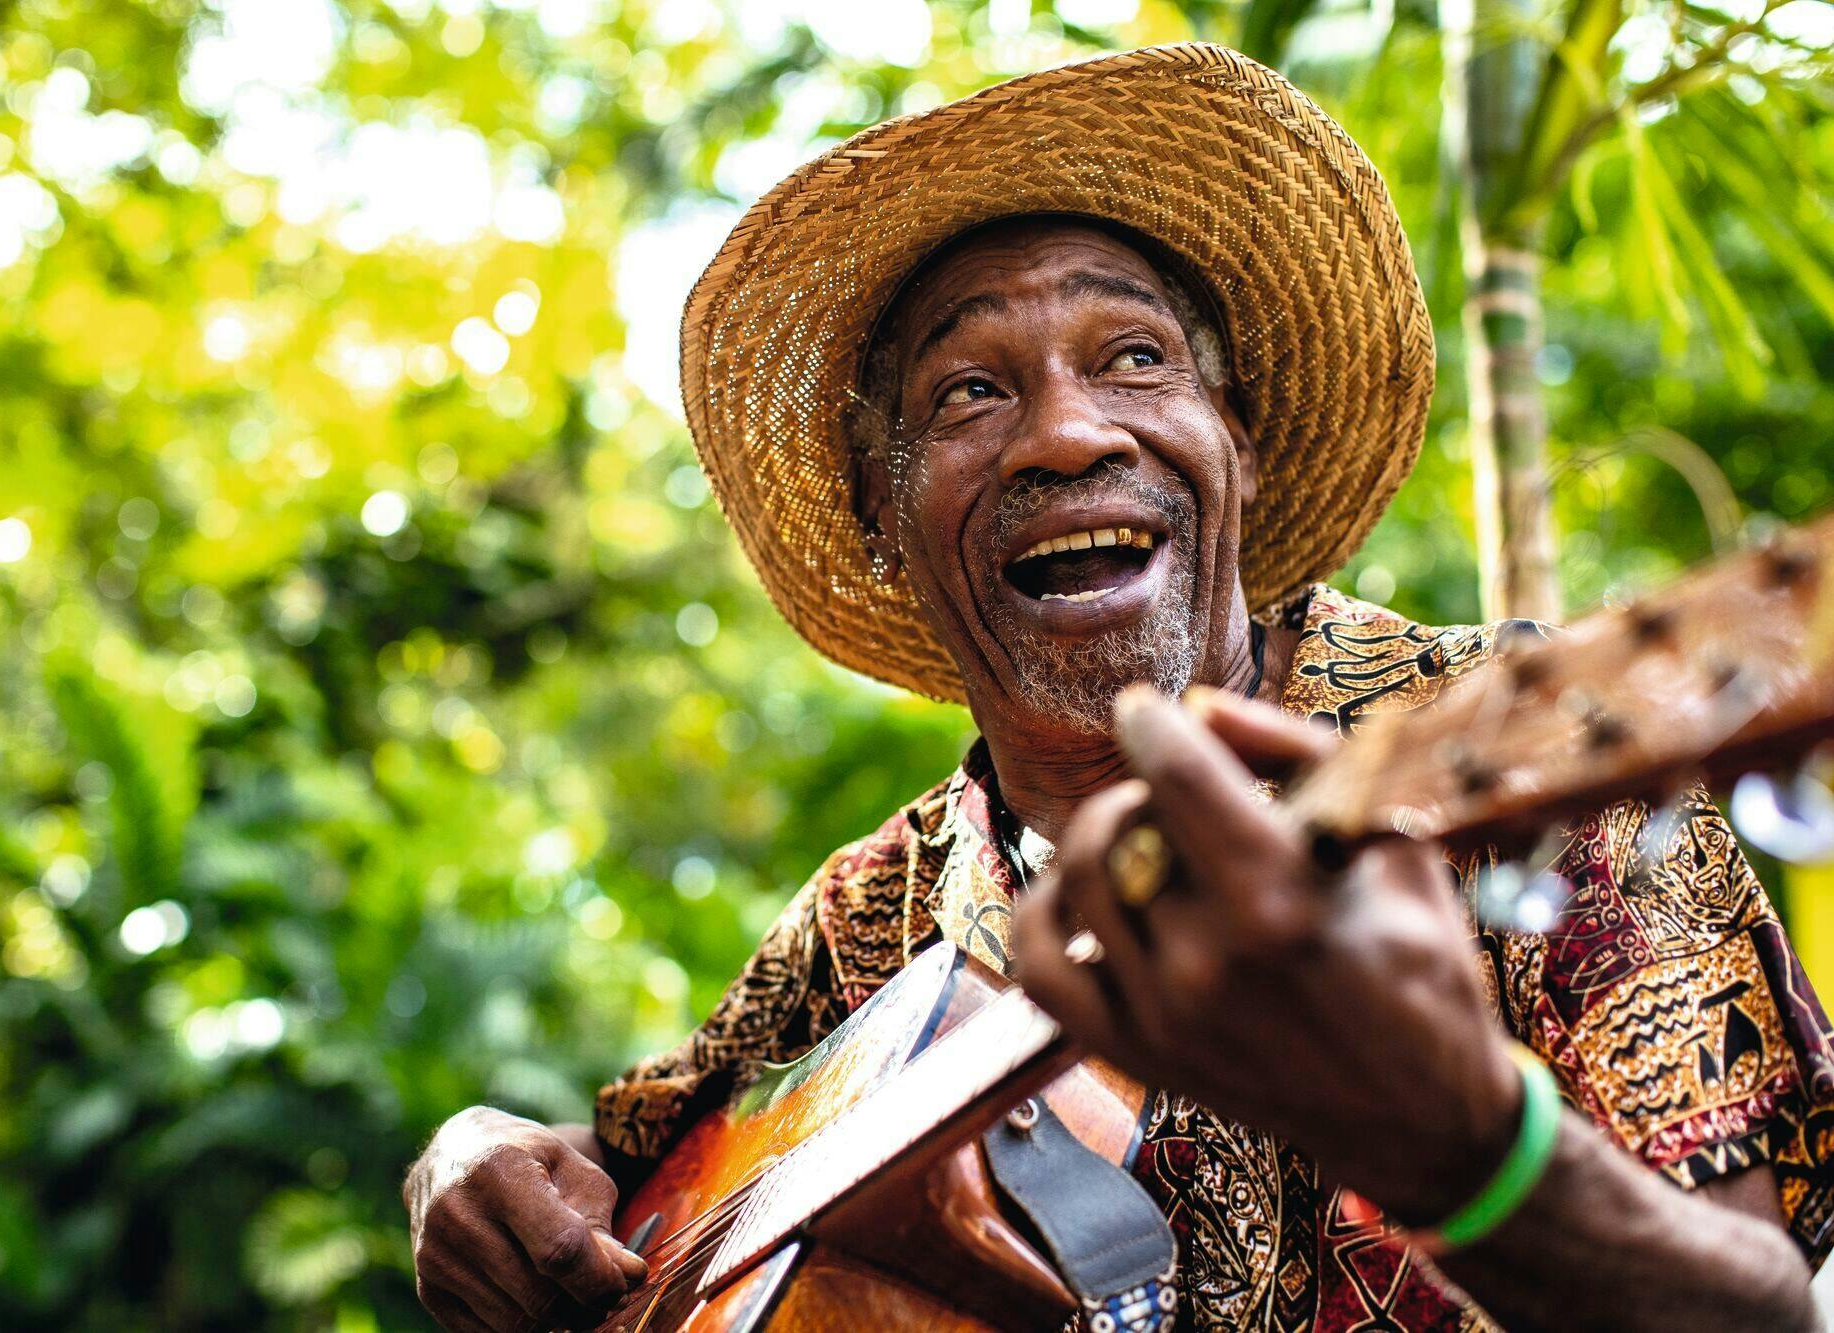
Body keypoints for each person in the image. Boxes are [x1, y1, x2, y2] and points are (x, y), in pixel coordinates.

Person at [401, 44, 1834, 1331]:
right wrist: (466, 1155)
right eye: (970, 391)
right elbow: (626, 1175)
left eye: (1133, 356)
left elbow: (1758, 1311)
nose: (1066, 434)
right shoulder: (864, 921)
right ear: (885, 526)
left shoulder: (1529, 762)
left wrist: (1468, 1152)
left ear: (1241, 443)